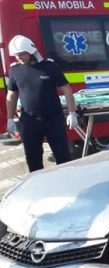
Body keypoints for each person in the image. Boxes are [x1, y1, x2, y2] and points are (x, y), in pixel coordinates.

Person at [5, 35, 77, 173]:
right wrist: (9, 118)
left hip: (53, 120)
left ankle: (66, 181)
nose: (19, 58)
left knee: (63, 157)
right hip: (29, 122)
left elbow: (66, 89)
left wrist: (72, 112)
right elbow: (11, 95)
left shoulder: (49, 66)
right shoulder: (15, 70)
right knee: (33, 159)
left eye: (22, 54)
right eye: (16, 55)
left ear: (31, 51)